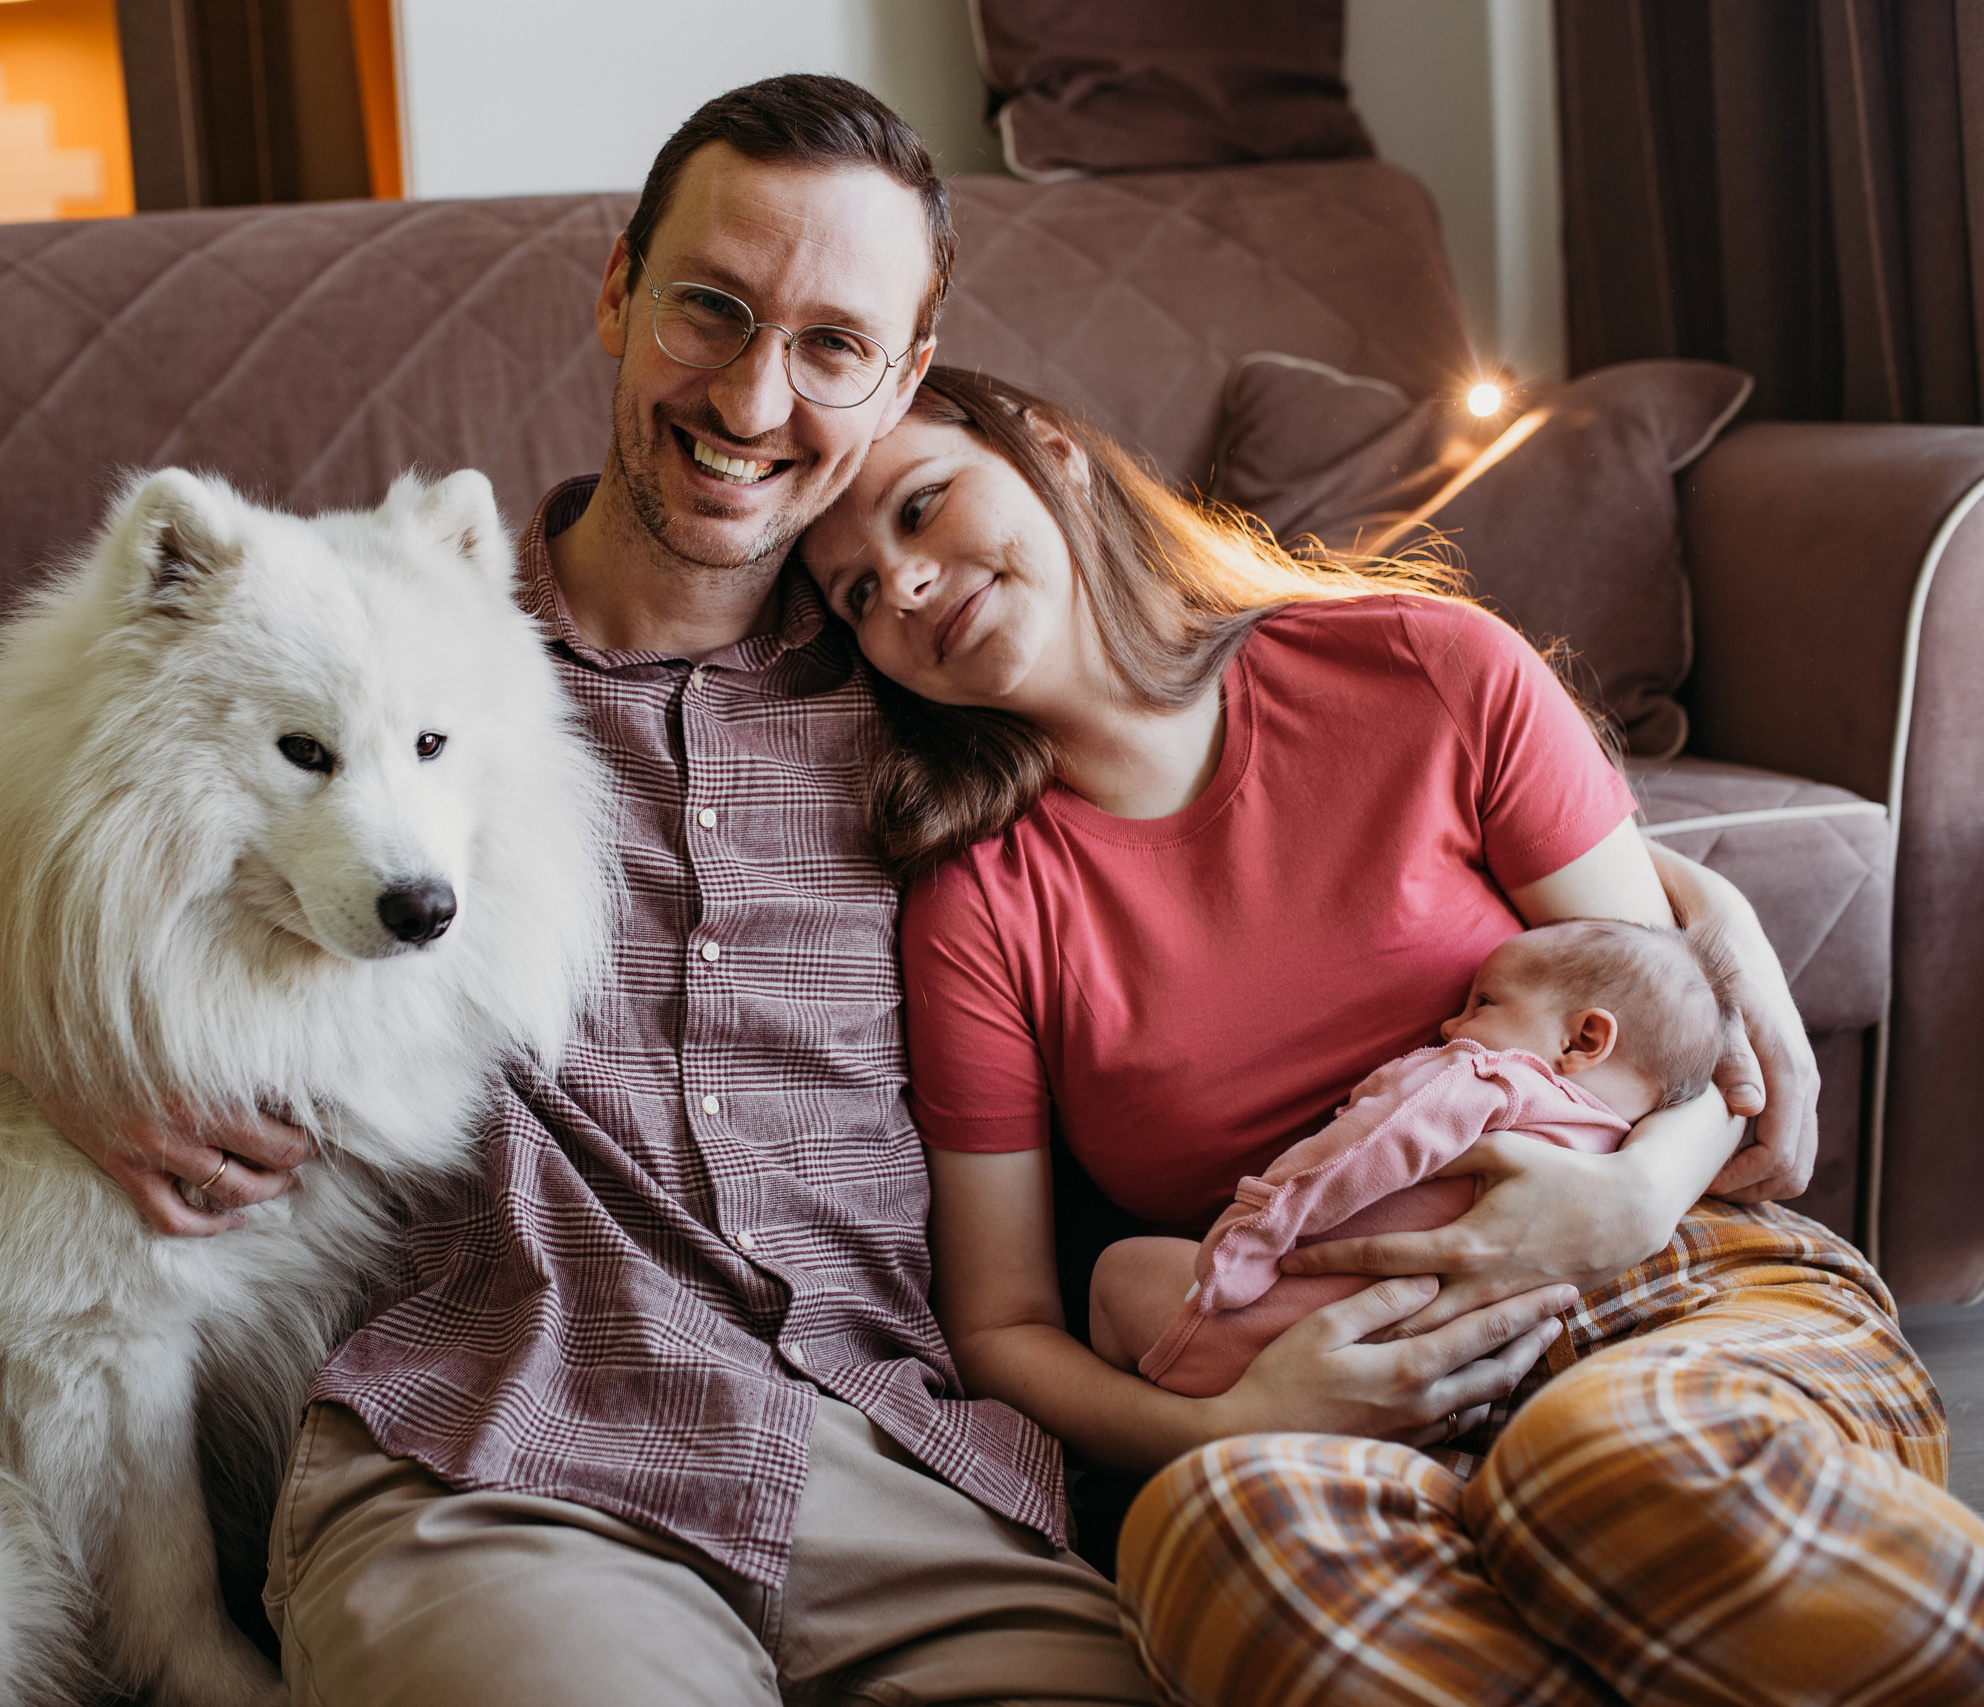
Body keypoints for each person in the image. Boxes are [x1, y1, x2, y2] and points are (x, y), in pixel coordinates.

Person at [0, 75, 1824, 1707]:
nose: (754, 398)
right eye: (710, 309)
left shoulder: (927, 686)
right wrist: (23, 1015)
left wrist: (1684, 923)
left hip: (903, 1455)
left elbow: (1292, 762)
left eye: (831, 345)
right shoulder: (411, 644)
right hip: (501, 1445)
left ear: (909, 366)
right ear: (614, 294)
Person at [797, 365, 1984, 1703]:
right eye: (850, 593)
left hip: (1654, 1282)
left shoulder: (1421, 663)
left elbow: (1683, 1026)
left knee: (1604, 1461)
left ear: (1055, 452)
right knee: (1215, 1541)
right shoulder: (979, 903)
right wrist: (1227, 1420)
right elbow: (1003, 1320)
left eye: (920, 506)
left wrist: (1636, 1192)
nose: (896, 586)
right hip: (1311, 1386)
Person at [1101, 917, 1733, 1399]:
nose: (1453, 1027)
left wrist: (1253, 1235)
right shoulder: (1608, 1141)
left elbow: (1360, 1151)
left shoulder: (1487, 1078)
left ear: (1583, 1038)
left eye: (1484, 1003)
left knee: (1116, 1270)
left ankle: (1133, 1442)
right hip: (1440, 1374)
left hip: (1267, 1338)